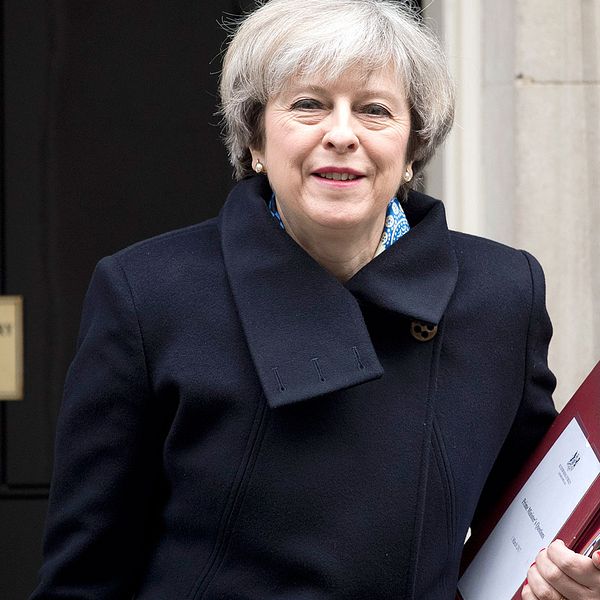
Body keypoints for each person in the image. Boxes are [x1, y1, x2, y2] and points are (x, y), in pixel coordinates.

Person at [31, 1, 600, 598]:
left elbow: (527, 524)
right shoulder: (147, 293)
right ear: (255, 137)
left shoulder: (501, 292)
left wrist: (569, 583)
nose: (341, 134)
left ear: (412, 148)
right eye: (309, 104)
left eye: (375, 110)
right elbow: (85, 575)